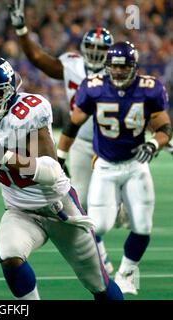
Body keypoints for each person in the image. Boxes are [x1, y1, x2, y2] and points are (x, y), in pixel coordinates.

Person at [0, 56, 123, 300]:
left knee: (98, 283)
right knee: (10, 255)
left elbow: (51, 171)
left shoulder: (29, 112)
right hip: (19, 210)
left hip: (59, 209)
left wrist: (2, 156)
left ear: (11, 90)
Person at [9, 0, 115, 273]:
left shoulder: (119, 71)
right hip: (79, 141)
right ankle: (97, 251)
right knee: (83, 198)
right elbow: (38, 59)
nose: (95, 54)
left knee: (114, 201)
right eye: (91, 48)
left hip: (113, 143)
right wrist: (22, 29)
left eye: (100, 49)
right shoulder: (73, 65)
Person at [57, 41, 172, 295]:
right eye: (114, 67)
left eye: (124, 67)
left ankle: (126, 274)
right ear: (107, 67)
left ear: (134, 67)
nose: (118, 72)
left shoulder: (149, 89)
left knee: (143, 226)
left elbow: (164, 128)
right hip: (105, 166)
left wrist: (153, 143)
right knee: (98, 226)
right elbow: (73, 125)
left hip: (136, 165)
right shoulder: (94, 88)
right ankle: (100, 270)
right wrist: (60, 156)